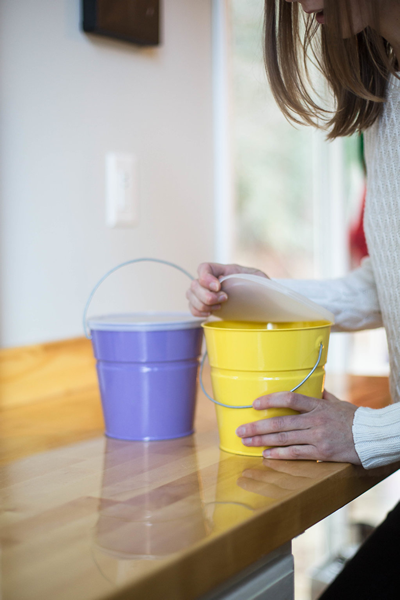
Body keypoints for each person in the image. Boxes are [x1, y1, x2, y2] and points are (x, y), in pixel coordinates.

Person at [187, 2, 400, 596]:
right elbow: (383, 285)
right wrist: (261, 296)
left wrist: (368, 434)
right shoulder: (389, 97)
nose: (304, 4)